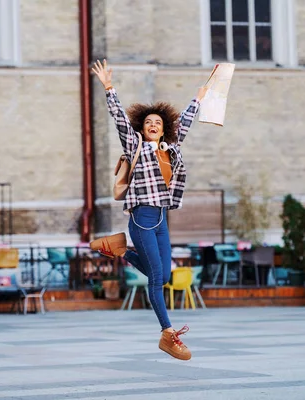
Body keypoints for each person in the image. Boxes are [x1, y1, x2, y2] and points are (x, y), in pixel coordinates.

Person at [89, 59, 208, 361]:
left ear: (163, 128)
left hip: (161, 219)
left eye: (157, 123)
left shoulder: (170, 147)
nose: (153, 125)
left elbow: (186, 122)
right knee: (156, 281)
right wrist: (108, 87)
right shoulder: (135, 146)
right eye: (147, 123)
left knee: (165, 274)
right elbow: (118, 118)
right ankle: (167, 335)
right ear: (141, 128)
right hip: (141, 217)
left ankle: (121, 251)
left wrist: (200, 98)